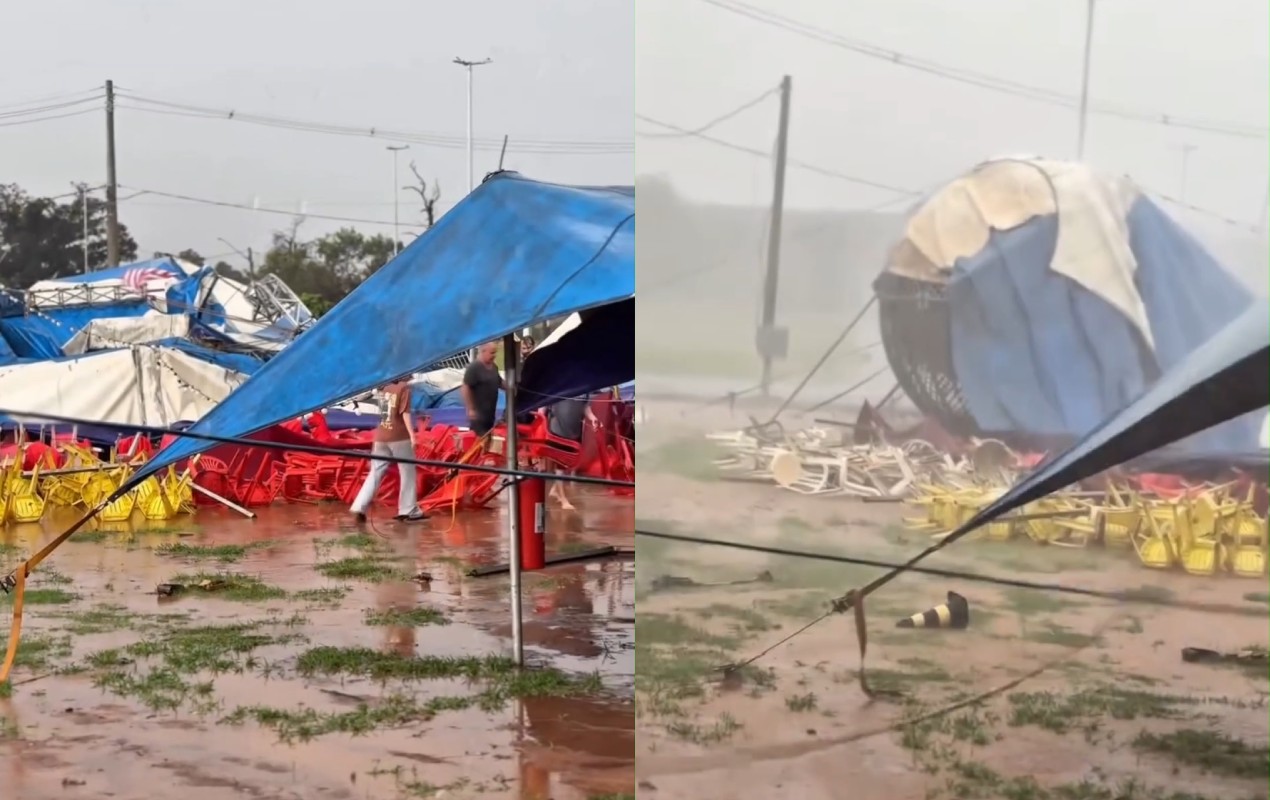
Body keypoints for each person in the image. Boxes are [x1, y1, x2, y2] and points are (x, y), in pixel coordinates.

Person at [351, 378, 427, 523]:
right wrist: (412, 435)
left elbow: (385, 414)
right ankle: (408, 510)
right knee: (407, 472)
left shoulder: (384, 386)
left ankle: (359, 506)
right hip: (399, 436)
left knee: (375, 472)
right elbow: (404, 413)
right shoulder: (404, 388)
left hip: (380, 435)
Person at [546, 393, 598, 510]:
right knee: (560, 464)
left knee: (570, 463)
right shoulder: (561, 383)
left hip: (575, 431)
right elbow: (545, 402)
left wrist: (592, 417)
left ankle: (555, 489)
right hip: (558, 430)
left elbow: (585, 406)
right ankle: (563, 499)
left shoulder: (585, 388)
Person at [461, 342, 505, 436]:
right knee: (479, 439)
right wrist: (471, 408)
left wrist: (512, 387)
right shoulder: (474, 367)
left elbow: (499, 382)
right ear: (483, 351)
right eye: (492, 353)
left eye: (495, 353)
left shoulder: (494, 367)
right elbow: (465, 388)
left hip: (490, 414)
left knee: (488, 437)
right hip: (478, 415)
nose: (494, 356)